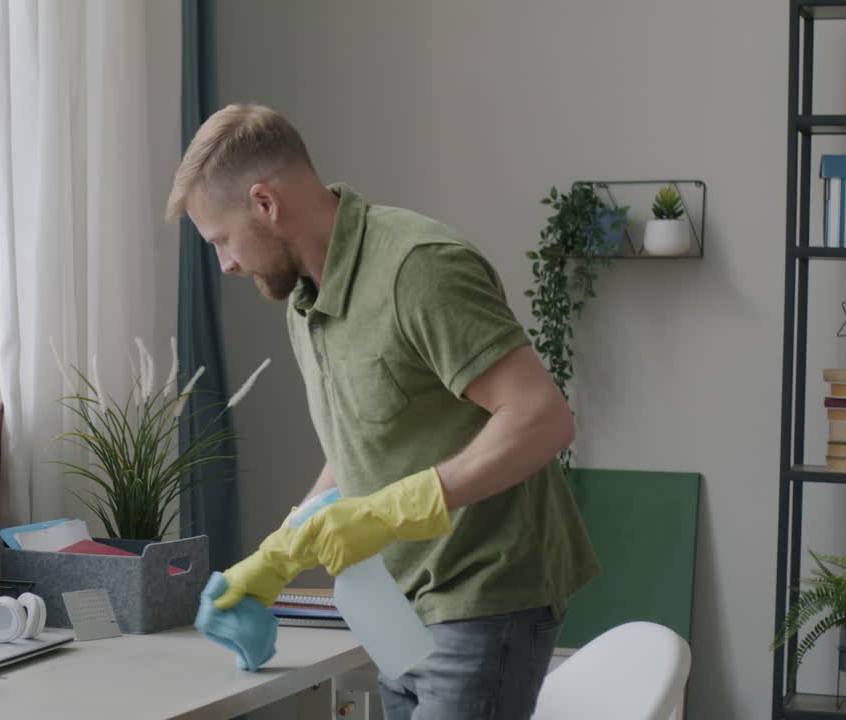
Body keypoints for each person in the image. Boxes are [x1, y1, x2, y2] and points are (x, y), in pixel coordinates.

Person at [167, 103, 599, 720]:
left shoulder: (418, 268)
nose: (226, 264)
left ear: (265, 203)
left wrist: (393, 510)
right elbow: (363, 443)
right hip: (395, 609)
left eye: (221, 240)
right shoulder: (305, 300)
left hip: (483, 595)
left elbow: (542, 419)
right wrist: (280, 553)